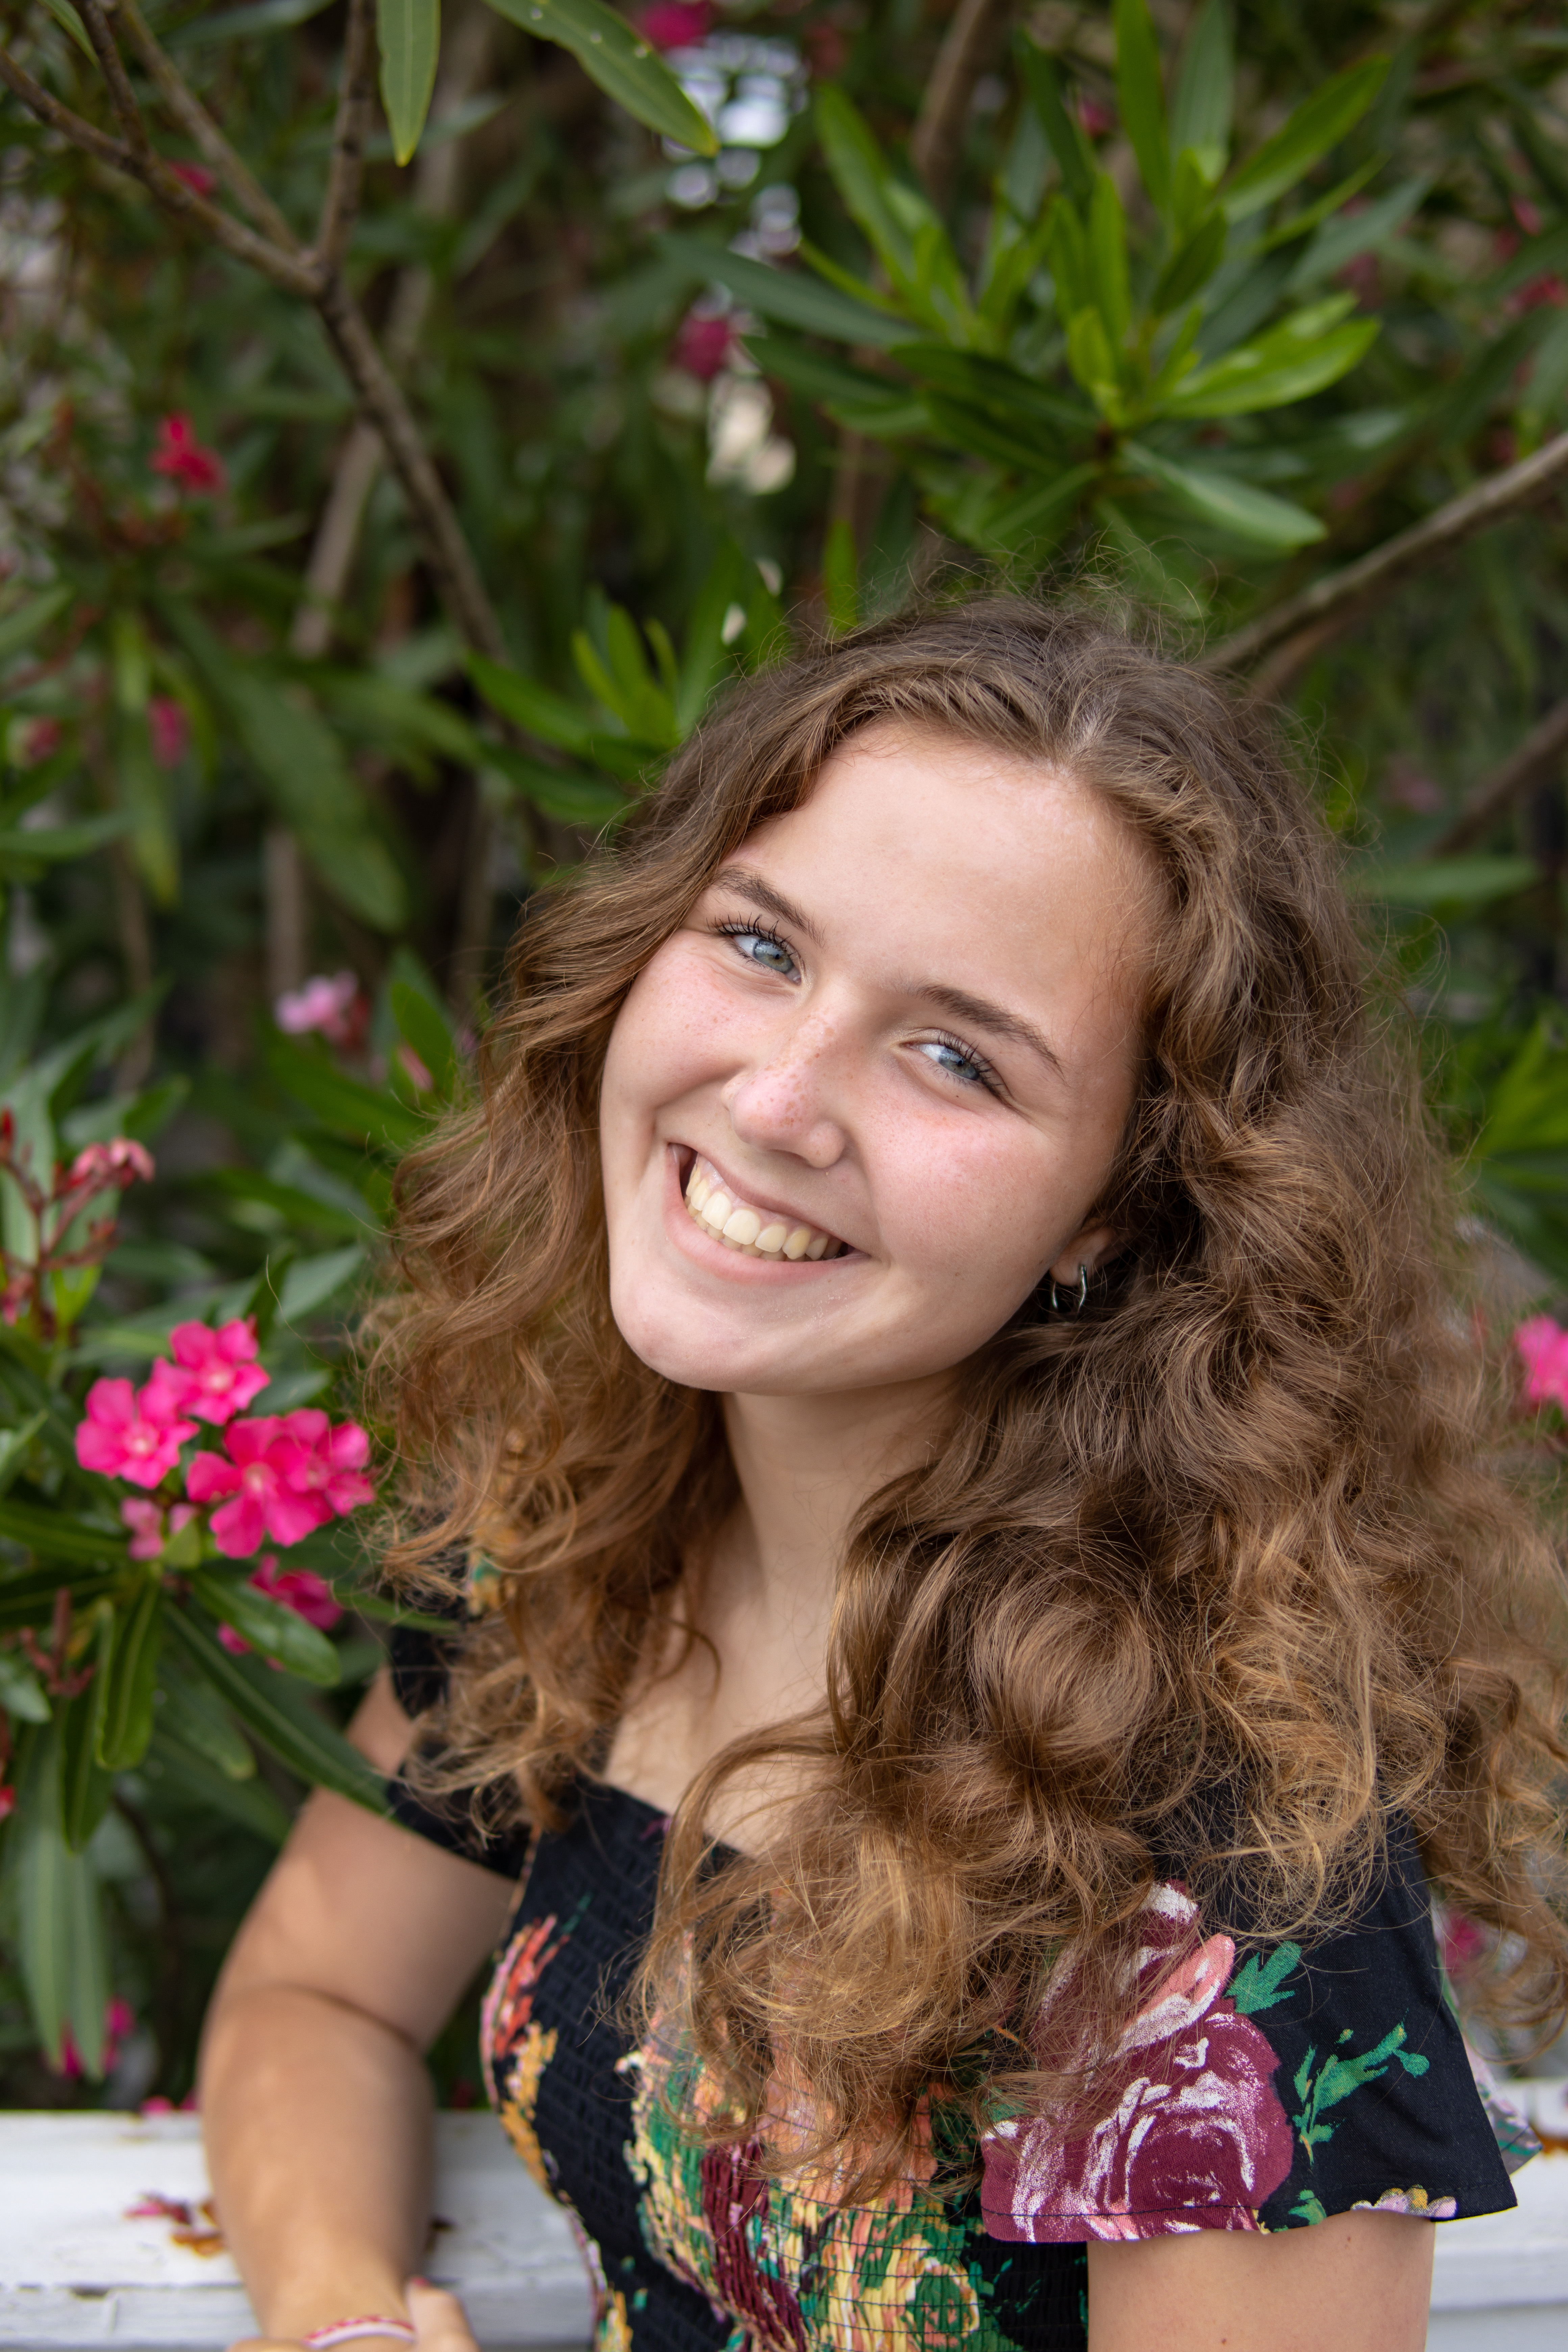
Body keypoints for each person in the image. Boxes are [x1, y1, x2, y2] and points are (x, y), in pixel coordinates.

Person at [202, 599, 1567, 2352]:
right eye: (761, 945)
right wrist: (340, 2321)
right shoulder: (584, 1544)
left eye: (954, 1055)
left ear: (1119, 1208)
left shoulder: (1221, 1837)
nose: (776, 1098)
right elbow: (311, 1994)